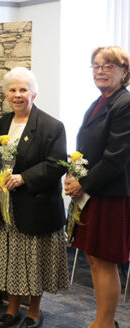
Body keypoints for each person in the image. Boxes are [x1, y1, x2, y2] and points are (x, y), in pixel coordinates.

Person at [0, 67, 68, 328]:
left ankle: (34, 311)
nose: (17, 95)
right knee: (11, 259)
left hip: (35, 205)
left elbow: (57, 164)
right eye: (12, 90)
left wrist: (23, 178)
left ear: (34, 93)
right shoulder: (1, 124)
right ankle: (12, 309)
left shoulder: (51, 126)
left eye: (23, 89)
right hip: (7, 208)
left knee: (34, 263)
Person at [64, 46, 130, 328]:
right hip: (93, 192)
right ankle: (102, 321)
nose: (100, 71)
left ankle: (105, 323)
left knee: (105, 260)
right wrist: (72, 174)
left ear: (124, 72)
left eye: (108, 66)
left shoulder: (124, 104)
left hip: (111, 194)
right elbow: (87, 148)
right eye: (96, 66)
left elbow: (115, 158)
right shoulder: (101, 101)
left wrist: (83, 184)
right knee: (93, 257)